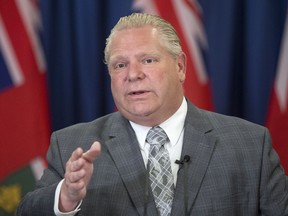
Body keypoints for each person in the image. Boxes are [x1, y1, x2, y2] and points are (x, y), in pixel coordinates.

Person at [17, 13, 288, 216]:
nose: (133, 74)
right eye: (120, 65)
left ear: (180, 66)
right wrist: (66, 197)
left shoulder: (251, 144)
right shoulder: (72, 144)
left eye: (148, 60)